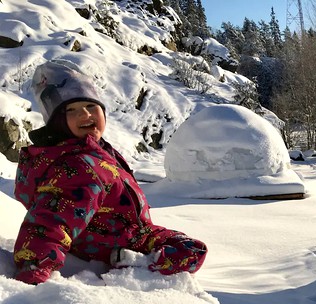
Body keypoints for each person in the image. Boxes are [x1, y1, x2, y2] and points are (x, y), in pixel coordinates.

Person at [13, 60, 207, 284]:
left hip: (120, 233)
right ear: (57, 123)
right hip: (118, 240)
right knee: (192, 250)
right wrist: (34, 269)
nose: (85, 114)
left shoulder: (96, 152)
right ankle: (135, 264)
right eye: (71, 110)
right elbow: (52, 219)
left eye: (91, 106)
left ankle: (133, 259)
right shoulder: (79, 165)